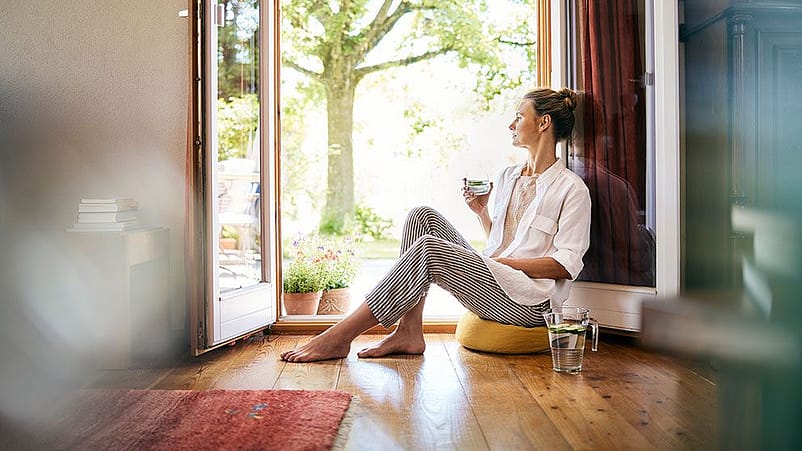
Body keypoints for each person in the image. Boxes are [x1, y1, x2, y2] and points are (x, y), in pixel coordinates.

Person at [281, 87, 591, 363]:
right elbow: (505, 241)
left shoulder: (571, 189)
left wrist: (499, 263)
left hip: (529, 303)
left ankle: (339, 336)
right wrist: (482, 214)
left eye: (518, 116)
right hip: (499, 279)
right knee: (422, 216)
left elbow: (566, 265)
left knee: (430, 250)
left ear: (543, 123)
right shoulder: (509, 177)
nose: (511, 124)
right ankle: (409, 331)